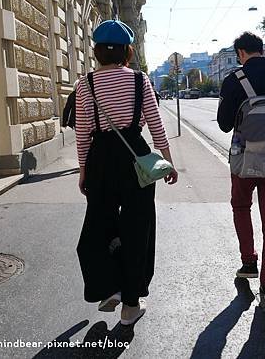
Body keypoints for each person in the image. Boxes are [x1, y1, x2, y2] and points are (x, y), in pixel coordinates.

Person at [75, 20, 178, 326]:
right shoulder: (139, 80)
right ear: (127, 50)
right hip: (136, 159)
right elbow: (156, 125)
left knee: (98, 228)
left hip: (101, 160)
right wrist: (167, 161)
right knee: (138, 230)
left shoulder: (85, 84)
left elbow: (83, 134)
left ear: (96, 52)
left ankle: (108, 287)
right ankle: (131, 305)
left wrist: (83, 171)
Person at [217, 31, 265, 303]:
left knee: (241, 207)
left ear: (240, 53)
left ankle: (249, 262)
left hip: (244, 158)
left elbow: (225, 124)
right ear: (261, 50)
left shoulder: (233, 80)